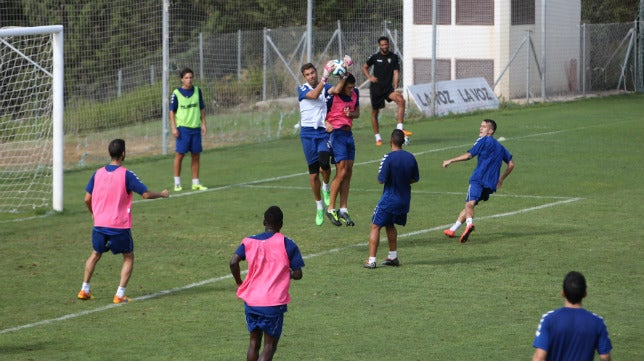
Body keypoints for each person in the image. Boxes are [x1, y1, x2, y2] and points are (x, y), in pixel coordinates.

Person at [77, 139, 169, 304]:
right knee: (128, 257)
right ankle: (120, 294)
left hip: (99, 224)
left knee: (95, 254)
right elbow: (146, 194)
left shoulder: (97, 173)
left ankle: (84, 290)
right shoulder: (126, 174)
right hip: (118, 225)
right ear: (123, 154)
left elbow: (86, 198)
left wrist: (94, 213)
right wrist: (162, 194)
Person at [229, 206, 304, 361]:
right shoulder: (287, 244)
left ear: (264, 221)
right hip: (273, 303)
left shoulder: (249, 241)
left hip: (252, 300)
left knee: (253, 343)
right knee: (269, 346)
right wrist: (286, 272)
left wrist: (239, 283)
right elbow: (298, 274)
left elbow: (233, 262)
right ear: (281, 224)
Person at [442, 119, 514, 243]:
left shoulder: (484, 140)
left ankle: (469, 224)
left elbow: (469, 155)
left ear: (490, 131)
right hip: (490, 184)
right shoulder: (500, 147)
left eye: (484, 127)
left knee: (469, 204)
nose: (481, 128)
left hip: (478, 179)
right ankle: (453, 229)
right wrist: (501, 179)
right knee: (472, 204)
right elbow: (511, 164)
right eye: (480, 126)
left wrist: (450, 160)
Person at [364, 129, 419, 269]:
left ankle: (371, 260)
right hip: (405, 199)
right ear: (403, 142)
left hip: (390, 198)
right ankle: (393, 257)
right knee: (389, 224)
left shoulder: (388, 157)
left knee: (375, 225)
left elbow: (380, 180)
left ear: (391, 141)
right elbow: (414, 178)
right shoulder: (411, 157)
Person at [532, 271, 613, 361]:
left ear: (563, 293)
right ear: (585, 293)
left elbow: (539, 358)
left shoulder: (549, 319)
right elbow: (605, 357)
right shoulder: (597, 322)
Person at [298, 63, 333, 226]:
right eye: (308, 74)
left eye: (313, 73)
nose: (311, 76)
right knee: (313, 174)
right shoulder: (302, 89)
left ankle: (326, 186)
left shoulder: (326, 86)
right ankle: (319, 206)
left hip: (321, 133)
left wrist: (344, 71)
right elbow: (313, 95)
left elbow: (338, 90)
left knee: (325, 165)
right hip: (307, 134)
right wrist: (325, 78)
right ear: (304, 77)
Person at [324, 73, 360, 227]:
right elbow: (320, 113)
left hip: (348, 134)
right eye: (349, 88)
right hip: (336, 134)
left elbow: (357, 113)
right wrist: (326, 123)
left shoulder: (355, 94)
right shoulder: (333, 97)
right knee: (342, 170)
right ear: (343, 86)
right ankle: (331, 208)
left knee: (349, 171)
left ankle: (343, 208)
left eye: (353, 87)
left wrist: (350, 114)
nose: (352, 90)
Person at [362, 36, 411, 146]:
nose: (385, 46)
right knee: (375, 112)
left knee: (401, 100)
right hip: (376, 89)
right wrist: (369, 77)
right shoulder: (375, 57)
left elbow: (396, 72)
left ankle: (400, 128)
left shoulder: (394, 57)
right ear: (379, 46)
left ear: (389, 44)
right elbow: (364, 67)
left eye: (386, 44)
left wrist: (396, 85)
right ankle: (378, 137)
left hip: (388, 89)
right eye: (382, 45)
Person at [169, 67, 208, 192]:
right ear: (182, 79)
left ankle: (195, 183)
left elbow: (202, 108)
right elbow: (171, 111)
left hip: (195, 128)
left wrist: (203, 124)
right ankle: (177, 183)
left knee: (196, 155)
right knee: (180, 155)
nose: (189, 80)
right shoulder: (176, 93)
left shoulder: (197, 91)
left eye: (191, 77)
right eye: (186, 77)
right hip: (183, 129)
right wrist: (174, 127)